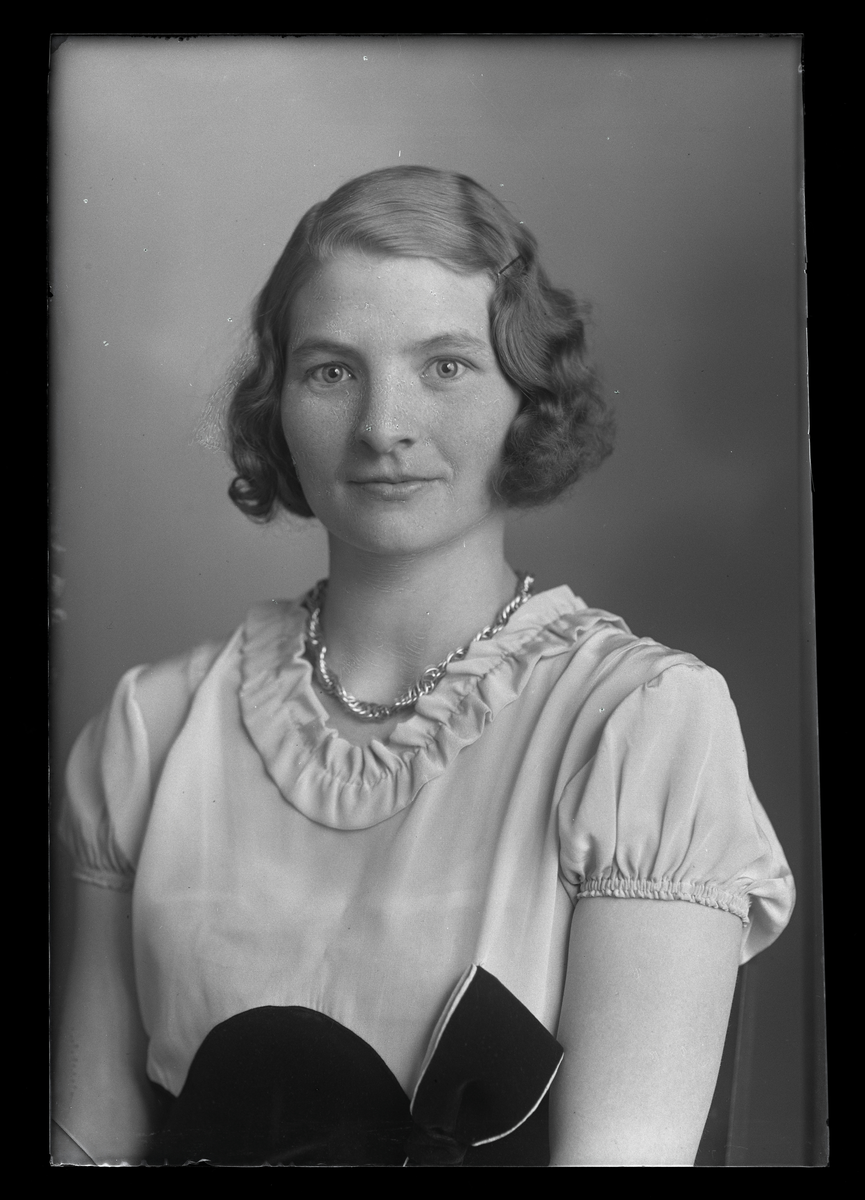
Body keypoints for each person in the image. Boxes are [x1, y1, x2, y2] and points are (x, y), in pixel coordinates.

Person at [52, 165, 795, 1167]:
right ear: (277, 403)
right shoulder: (153, 727)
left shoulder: (639, 722)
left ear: (527, 399)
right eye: (331, 371)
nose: (382, 427)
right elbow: (87, 1142)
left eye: (445, 366)